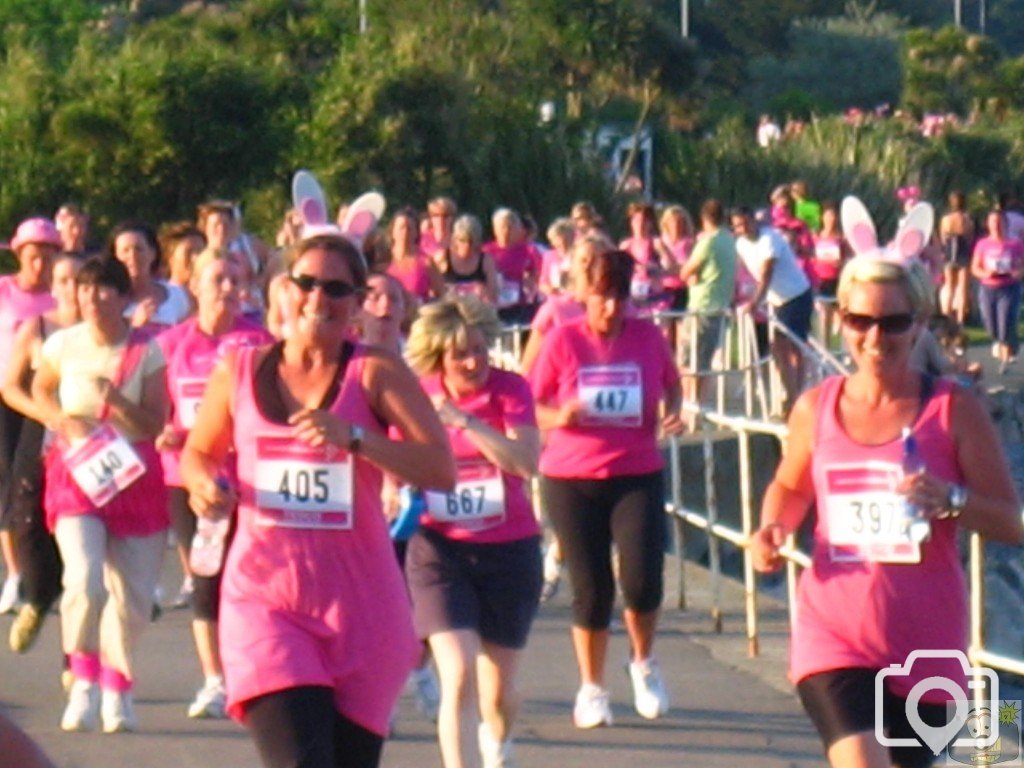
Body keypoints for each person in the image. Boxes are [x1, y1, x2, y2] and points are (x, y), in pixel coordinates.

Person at [180, 233, 455, 768]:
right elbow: (198, 452)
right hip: (265, 601)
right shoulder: (238, 371)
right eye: (306, 283)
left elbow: (441, 469)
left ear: (355, 303)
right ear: (283, 288)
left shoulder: (375, 372)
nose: (318, 299)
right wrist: (201, 484)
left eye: (336, 288)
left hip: (363, 611)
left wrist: (356, 439)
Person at [750, 253, 1023, 768]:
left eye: (893, 322)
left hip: (928, 646)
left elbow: (1010, 521)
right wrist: (772, 528)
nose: (875, 338)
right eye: (860, 321)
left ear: (919, 323)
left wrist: (952, 500)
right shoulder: (816, 407)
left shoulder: (953, 410)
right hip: (834, 633)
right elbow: (790, 486)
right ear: (841, 322)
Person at [530, 249, 683, 729]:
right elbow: (529, 405)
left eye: (619, 297)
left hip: (635, 470)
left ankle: (642, 662)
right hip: (572, 477)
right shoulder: (562, 341)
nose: (611, 308)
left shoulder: (648, 337)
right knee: (591, 589)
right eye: (601, 297)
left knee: (642, 580)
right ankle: (592, 687)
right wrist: (561, 416)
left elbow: (673, 385)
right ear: (584, 294)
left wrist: (675, 412)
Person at [32, 256, 170, 733]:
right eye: (86, 289)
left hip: (133, 475)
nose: (93, 298)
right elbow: (39, 389)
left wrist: (118, 399)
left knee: (130, 600)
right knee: (85, 581)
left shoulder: (148, 350)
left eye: (104, 290)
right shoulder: (62, 344)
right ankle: (84, 677)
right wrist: (58, 419)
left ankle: (117, 685)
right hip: (77, 476)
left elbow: (155, 423)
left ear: (124, 296)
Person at [405, 295, 542, 768]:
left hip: (509, 551)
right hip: (440, 550)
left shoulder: (510, 390)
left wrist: (465, 421)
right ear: (439, 357)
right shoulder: (416, 394)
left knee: (498, 694)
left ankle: (498, 741)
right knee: (458, 672)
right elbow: (395, 458)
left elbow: (524, 462)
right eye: (462, 353)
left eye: (481, 349)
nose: (474, 360)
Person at [156, 249, 273, 718]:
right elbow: (155, 408)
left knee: (247, 579)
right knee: (205, 578)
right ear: (195, 287)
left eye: (235, 279)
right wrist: (163, 429)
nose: (227, 288)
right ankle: (214, 679)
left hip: (246, 476)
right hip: (187, 476)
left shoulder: (259, 343)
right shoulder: (170, 345)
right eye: (218, 279)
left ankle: (251, 671)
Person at [2, 252, 81, 652]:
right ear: (54, 285)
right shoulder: (38, 326)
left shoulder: (100, 330)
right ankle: (36, 595)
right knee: (28, 522)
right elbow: (10, 386)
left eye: (79, 280)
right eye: (63, 280)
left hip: (87, 442)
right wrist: (45, 414)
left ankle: (75, 659)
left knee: (78, 551)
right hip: (41, 433)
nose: (72, 289)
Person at [0, 218, 62, 616]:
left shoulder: (62, 298)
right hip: (7, 395)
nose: (40, 263)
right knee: (7, 483)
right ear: (20, 255)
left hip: (50, 396)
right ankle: (16, 573)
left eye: (47, 255)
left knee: (48, 479)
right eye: (33, 255)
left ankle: (49, 566)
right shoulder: (4, 292)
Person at [731, 206, 813, 415]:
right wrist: (735, 298)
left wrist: (754, 302)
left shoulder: (770, 238)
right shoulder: (740, 244)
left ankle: (796, 396)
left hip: (797, 294)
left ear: (753, 220)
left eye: (746, 222)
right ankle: (792, 394)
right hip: (776, 301)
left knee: (794, 347)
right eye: (738, 225)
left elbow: (767, 272)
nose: (743, 228)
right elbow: (741, 272)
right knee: (778, 349)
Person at [677, 199, 737, 422]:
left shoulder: (708, 242)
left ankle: (689, 407)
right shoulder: (730, 240)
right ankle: (698, 407)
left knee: (689, 359)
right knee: (703, 359)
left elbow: (686, 272)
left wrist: (690, 275)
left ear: (703, 218)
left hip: (701, 306)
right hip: (720, 306)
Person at [109, 221, 191, 330]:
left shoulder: (176, 294)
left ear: (152, 253)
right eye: (125, 250)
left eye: (139, 249)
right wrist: (134, 325)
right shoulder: (109, 301)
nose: (133, 256)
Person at [970, 209, 1024, 374]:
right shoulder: (983, 244)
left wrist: (1017, 273)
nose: (996, 225)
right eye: (993, 222)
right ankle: (1007, 343)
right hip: (988, 288)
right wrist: (986, 273)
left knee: (1004, 323)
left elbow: (1022, 266)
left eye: (999, 222)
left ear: (1005, 224)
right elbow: (975, 267)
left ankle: (1005, 358)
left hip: (1008, 288)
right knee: (990, 324)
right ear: (988, 224)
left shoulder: (1015, 244)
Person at [436, 215, 499, 305]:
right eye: (463, 240)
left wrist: (484, 292)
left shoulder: (486, 261)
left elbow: (493, 296)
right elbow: (432, 291)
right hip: (449, 311)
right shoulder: (442, 258)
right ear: (455, 240)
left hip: (477, 311)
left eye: (471, 241)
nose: (467, 245)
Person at [385, 208, 443, 306]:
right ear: (392, 231)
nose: (405, 232)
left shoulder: (426, 262)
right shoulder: (383, 259)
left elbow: (442, 295)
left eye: (409, 228)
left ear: (416, 233)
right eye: (402, 227)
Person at [938, 191, 975, 327]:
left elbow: (942, 238)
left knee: (949, 285)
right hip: (963, 251)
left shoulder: (945, 219)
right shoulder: (967, 219)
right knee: (963, 287)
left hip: (949, 251)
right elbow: (970, 237)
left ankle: (947, 316)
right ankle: (960, 319)